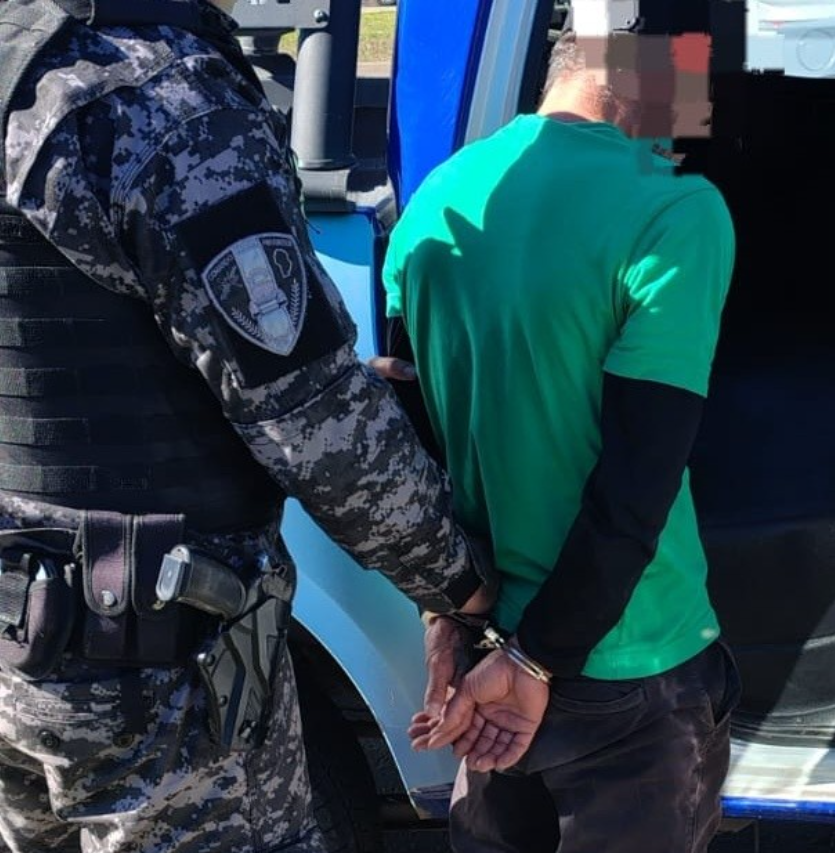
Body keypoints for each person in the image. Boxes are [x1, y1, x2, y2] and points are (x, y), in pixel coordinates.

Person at [0, 0, 495, 851]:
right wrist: (461, 585)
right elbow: (314, 425)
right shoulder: (160, 100)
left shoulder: (21, 65)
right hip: (149, 672)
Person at [384, 26, 740, 853]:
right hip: (627, 657)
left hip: (487, 650)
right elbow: (636, 477)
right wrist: (539, 657)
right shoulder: (675, 209)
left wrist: (446, 619)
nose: (677, 142)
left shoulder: (436, 198)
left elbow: (409, 462)